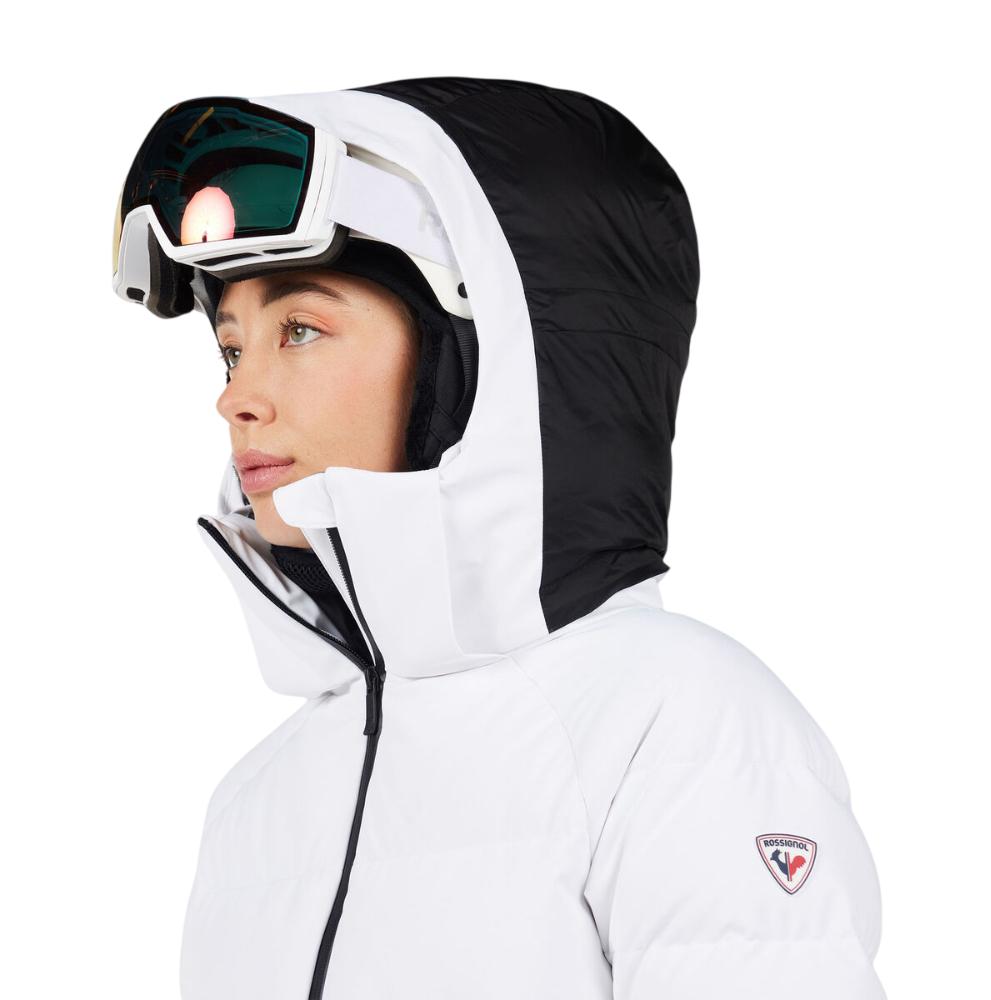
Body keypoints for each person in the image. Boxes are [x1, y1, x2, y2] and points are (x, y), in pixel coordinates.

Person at [111, 78, 886, 999]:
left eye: (303, 330)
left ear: (476, 361)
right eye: (234, 347)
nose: (236, 396)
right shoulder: (253, 803)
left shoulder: (676, 722)